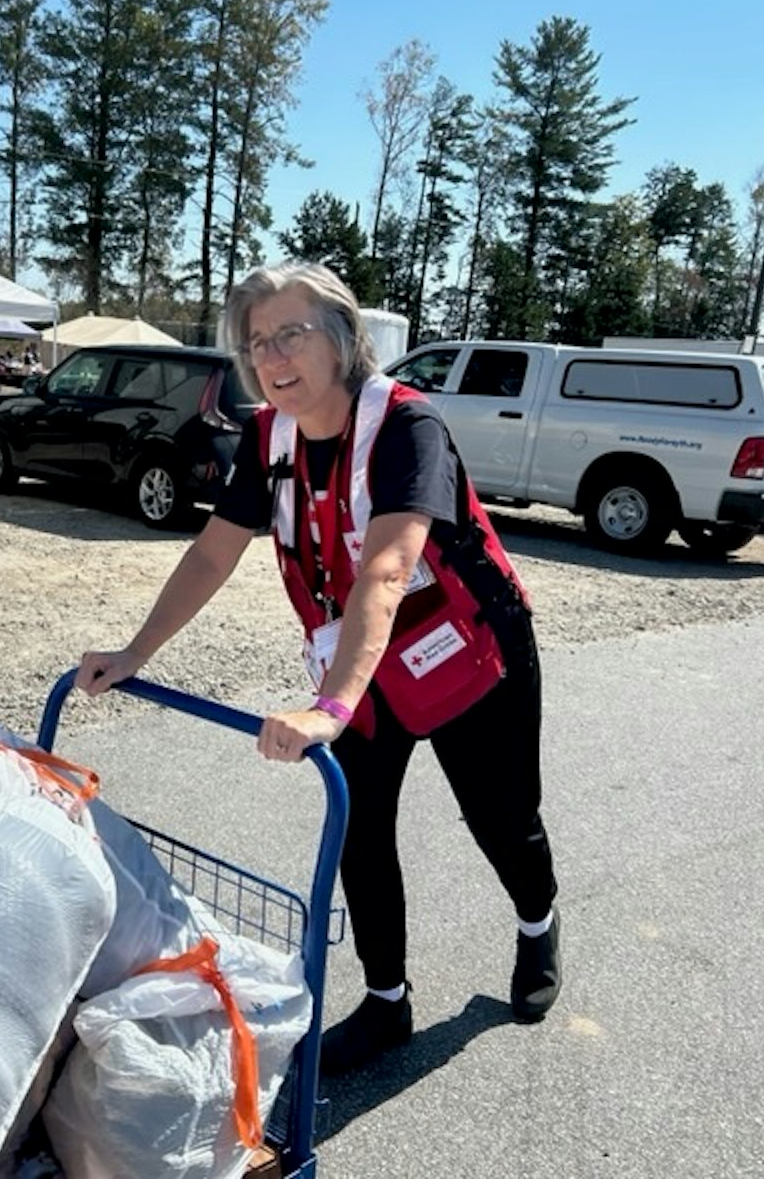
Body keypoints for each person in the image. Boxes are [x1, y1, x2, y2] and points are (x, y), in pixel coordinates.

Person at [76, 262, 561, 1076]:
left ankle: (538, 925)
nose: (271, 356)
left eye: (290, 334)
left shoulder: (409, 429)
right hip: (363, 663)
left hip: (469, 650)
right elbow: (212, 552)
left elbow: (384, 567)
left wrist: (327, 711)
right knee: (359, 835)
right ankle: (387, 1001)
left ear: (340, 338)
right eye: (257, 342)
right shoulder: (269, 437)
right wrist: (135, 652)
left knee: (501, 818)